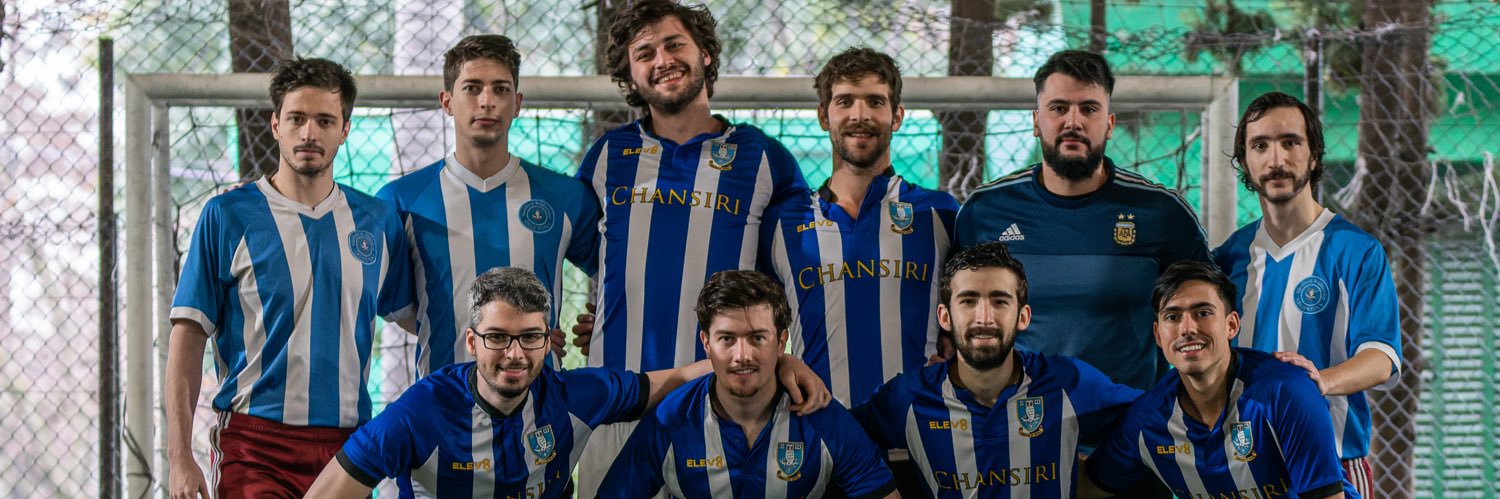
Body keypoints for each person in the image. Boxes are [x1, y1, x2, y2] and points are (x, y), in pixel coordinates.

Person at [302, 267, 829, 498]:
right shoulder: (420, 413)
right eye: (498, 338)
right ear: (471, 342)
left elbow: (666, 382)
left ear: (548, 339)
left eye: (530, 337)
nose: (515, 354)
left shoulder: (576, 396)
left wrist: (774, 362)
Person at [572, 1, 810, 494]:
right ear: (630, 75)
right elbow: (604, 263)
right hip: (620, 404)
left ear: (704, 52)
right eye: (645, 53)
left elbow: (794, 277)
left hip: (723, 407)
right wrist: (612, 313)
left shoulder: (764, 159)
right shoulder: (608, 156)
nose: (662, 60)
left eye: (674, 44)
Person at [165, 57, 414, 498]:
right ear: (276, 124)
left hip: (348, 449)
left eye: (325, 120)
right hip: (255, 445)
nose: (309, 133)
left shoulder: (377, 221)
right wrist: (179, 456)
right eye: (297, 118)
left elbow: (419, 318)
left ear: (345, 129)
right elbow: (187, 337)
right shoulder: (227, 216)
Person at [954, 49, 1211, 391]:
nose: (1073, 122)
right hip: (1016, 416)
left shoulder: (1162, 212)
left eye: (1089, 109)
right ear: (1036, 122)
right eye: (1058, 108)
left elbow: (1210, 317)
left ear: (1109, 124)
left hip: (1127, 417)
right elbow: (954, 321)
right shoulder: (985, 210)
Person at [376, 34, 601, 376]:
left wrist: (599, 325)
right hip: (445, 399)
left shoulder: (565, 196)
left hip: (541, 398)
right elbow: (408, 312)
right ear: (447, 101)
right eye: (472, 88)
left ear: (517, 103)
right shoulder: (401, 201)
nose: (487, 101)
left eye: (500, 89)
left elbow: (617, 273)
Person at [1212, 91, 1400, 496]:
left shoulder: (1355, 251)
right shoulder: (1228, 258)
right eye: (1260, 145)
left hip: (1333, 461)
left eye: (1290, 142)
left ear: (1314, 155)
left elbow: (1381, 358)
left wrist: (1319, 382)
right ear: (1244, 160)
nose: (1276, 159)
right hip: (1245, 466)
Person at [851, 242, 1141, 498]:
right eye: (968, 301)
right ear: (945, 316)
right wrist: (881, 490)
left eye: (1000, 301)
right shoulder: (908, 398)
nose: (984, 317)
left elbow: (1152, 415)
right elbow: (839, 437)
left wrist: (1104, 475)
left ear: (1023, 317)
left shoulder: (1070, 382)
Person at [760, 46, 958, 406]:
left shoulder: (939, 214)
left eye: (875, 102)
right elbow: (758, 323)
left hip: (919, 427)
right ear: (824, 116)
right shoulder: (782, 222)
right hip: (822, 426)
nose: (860, 115)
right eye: (845, 101)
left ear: (897, 117)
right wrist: (780, 360)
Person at [598, 270, 898, 499]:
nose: (742, 355)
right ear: (706, 343)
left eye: (757, 338)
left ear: (781, 342)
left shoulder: (822, 417)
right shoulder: (670, 420)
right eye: (727, 338)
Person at [1081, 261, 1357, 499]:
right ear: (1158, 335)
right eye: (1173, 317)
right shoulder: (1147, 419)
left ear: (1231, 325)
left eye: (1203, 313)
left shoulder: (1286, 392)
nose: (1187, 328)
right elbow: (1087, 487)